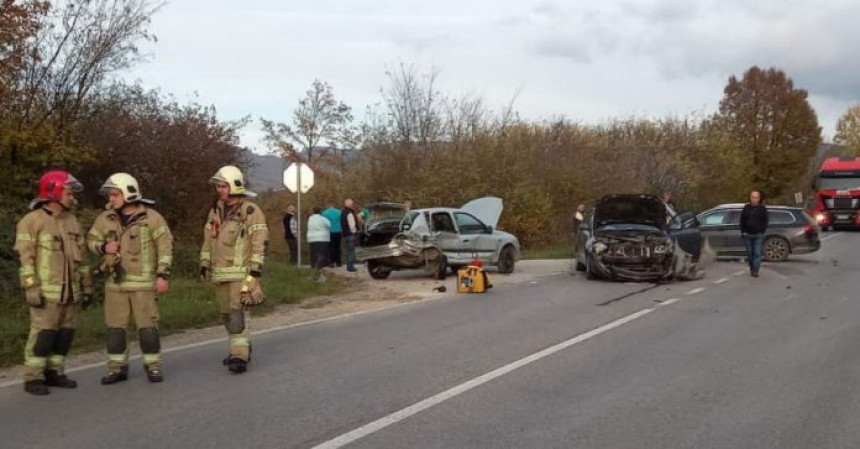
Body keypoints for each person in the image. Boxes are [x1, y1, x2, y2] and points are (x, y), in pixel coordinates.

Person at [87, 173, 173, 384]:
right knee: (115, 330)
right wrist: (103, 247)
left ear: (128, 193)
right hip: (115, 285)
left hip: (143, 286)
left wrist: (162, 275)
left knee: (147, 330)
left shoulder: (152, 218)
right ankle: (116, 368)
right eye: (110, 195)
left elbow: (165, 248)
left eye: (115, 194)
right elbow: (91, 240)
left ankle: (153, 366)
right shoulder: (105, 218)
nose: (110, 199)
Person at [14, 170, 93, 395]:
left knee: (64, 335)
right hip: (46, 293)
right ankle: (33, 377)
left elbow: (83, 259)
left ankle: (55, 372)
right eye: (68, 193)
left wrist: (87, 287)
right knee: (43, 335)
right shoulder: (32, 221)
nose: (72, 197)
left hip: (71, 293)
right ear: (53, 192)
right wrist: (31, 286)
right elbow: (26, 259)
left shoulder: (73, 221)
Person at [200, 166, 268, 374]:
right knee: (226, 315)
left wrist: (255, 272)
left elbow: (260, 242)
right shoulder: (215, 211)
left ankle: (239, 355)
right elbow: (207, 240)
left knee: (237, 314)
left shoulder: (250, 211)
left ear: (234, 187)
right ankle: (240, 346)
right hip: (220, 274)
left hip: (241, 274)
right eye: (218, 186)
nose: (219, 190)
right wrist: (204, 264)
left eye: (223, 186)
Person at [740, 190, 769, 277]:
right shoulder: (746, 208)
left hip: (758, 235)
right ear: (750, 198)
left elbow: (765, 221)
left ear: (759, 199)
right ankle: (752, 267)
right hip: (747, 234)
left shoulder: (762, 209)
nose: (754, 199)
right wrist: (743, 231)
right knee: (750, 253)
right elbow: (742, 220)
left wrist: (762, 231)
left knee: (757, 253)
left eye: (756, 197)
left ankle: (755, 270)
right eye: (752, 197)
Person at [307, 207, 331, 282]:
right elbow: (329, 225)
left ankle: (314, 272)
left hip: (311, 239)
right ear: (321, 212)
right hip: (322, 239)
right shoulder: (323, 219)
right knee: (322, 257)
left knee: (314, 257)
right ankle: (318, 274)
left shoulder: (310, 219)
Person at [341, 198, 360, 272]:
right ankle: (350, 266)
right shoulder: (349, 213)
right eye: (352, 204)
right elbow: (352, 225)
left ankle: (349, 266)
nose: (353, 205)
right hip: (351, 234)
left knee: (348, 250)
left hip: (345, 234)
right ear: (350, 205)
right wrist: (354, 232)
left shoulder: (343, 212)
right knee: (351, 251)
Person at [322, 202, 342, 267]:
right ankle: (339, 262)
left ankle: (332, 262)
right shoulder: (339, 212)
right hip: (338, 231)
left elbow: (323, 223)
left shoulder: (324, 213)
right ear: (333, 206)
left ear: (328, 206)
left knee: (330, 247)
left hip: (329, 232)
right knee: (337, 247)